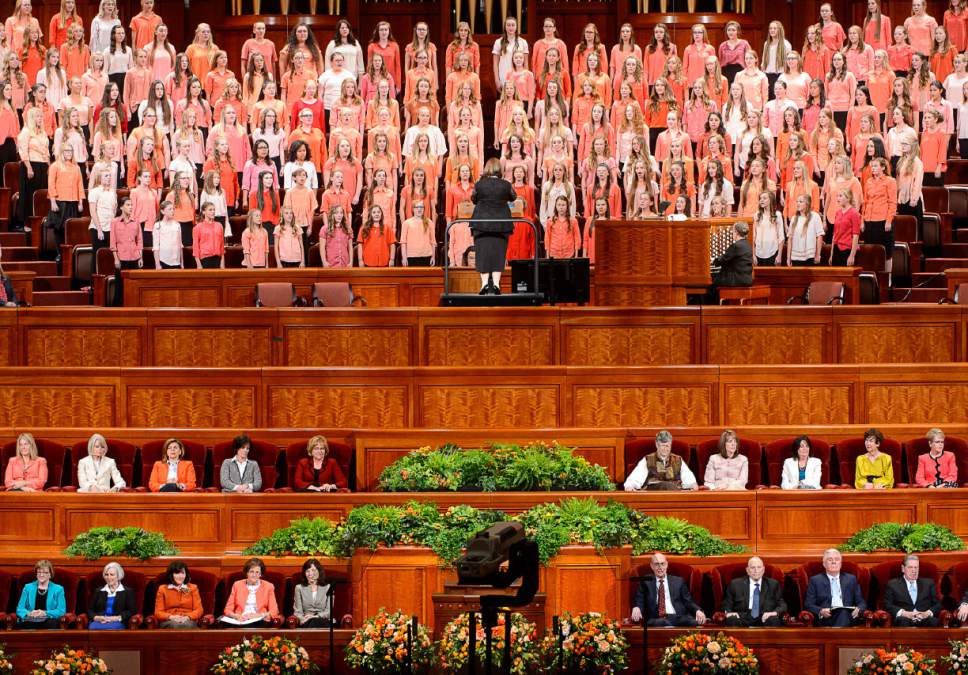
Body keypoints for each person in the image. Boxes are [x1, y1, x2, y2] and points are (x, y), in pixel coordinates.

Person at [469, 158, 517, 295]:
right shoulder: (506, 184)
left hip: (481, 223)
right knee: (498, 254)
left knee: (482, 253)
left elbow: (474, 199)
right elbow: (513, 197)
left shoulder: (479, 184)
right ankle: (496, 284)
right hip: (501, 223)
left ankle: (484, 284)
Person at [631, 553, 706, 627]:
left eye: (662, 564)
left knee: (693, 622)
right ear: (652, 566)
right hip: (657, 618)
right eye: (656, 564)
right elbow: (639, 600)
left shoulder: (678, 581)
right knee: (662, 622)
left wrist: (697, 610)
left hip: (677, 617)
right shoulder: (646, 581)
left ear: (667, 565)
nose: (660, 567)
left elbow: (688, 601)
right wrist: (637, 607)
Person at [721, 556, 786, 627]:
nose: (756, 570)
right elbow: (726, 604)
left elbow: (782, 605)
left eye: (759, 567)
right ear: (747, 570)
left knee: (774, 620)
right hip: (742, 617)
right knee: (731, 619)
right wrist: (729, 613)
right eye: (752, 568)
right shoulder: (735, 584)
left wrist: (774, 612)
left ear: (763, 569)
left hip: (764, 617)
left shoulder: (773, 584)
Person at [623, 430, 698, 491]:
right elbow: (636, 477)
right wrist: (630, 486)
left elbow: (688, 478)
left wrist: (693, 484)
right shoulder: (648, 459)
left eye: (667, 446)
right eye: (662, 446)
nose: (665, 449)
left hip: (675, 493)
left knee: (670, 486)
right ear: (657, 445)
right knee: (665, 485)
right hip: (653, 493)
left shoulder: (678, 459)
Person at [880, 554, 941, 626]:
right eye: (910, 567)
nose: (914, 571)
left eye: (916, 567)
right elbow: (887, 605)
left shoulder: (929, 583)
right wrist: (904, 613)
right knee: (902, 621)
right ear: (903, 568)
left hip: (924, 618)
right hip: (904, 619)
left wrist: (928, 613)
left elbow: (938, 604)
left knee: (933, 621)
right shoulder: (893, 584)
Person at [219, 558, 280, 628]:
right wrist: (236, 616)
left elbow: (274, 610)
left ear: (261, 574)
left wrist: (259, 615)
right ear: (247, 573)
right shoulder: (237, 585)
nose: (254, 575)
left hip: (259, 621)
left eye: (257, 572)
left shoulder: (268, 586)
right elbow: (227, 609)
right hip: (240, 620)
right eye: (251, 571)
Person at [708, 221, 753, 302]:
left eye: (733, 231)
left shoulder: (736, 246)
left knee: (710, 284)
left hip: (736, 279)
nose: (732, 233)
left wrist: (713, 260)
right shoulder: (747, 245)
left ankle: (712, 309)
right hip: (746, 279)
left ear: (736, 232)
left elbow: (722, 260)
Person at [15, 559, 65, 629]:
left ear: (50, 574)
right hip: (31, 619)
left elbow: (61, 610)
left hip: (49, 620)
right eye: (39, 572)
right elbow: (20, 609)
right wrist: (29, 613)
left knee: (51, 624)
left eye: (45, 572)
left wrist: (45, 613)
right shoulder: (27, 587)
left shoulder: (58, 589)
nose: (41, 575)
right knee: (23, 625)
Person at [153, 561, 202, 628]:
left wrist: (187, 617)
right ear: (171, 575)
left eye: (182, 573)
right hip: (169, 621)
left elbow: (199, 610)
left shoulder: (193, 588)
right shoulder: (162, 589)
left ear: (186, 574)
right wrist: (172, 617)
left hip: (188, 620)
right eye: (177, 573)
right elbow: (158, 612)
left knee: (187, 625)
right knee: (175, 625)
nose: (180, 576)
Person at [88, 561, 136, 630]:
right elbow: (90, 610)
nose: (108, 577)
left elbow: (132, 611)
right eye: (106, 575)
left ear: (118, 576)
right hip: (100, 621)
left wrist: (117, 618)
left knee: (113, 628)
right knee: (92, 627)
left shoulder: (127, 592)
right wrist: (97, 618)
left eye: (112, 574)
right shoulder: (98, 591)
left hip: (117, 622)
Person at [293, 558, 332, 628]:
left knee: (316, 621)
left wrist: (315, 616)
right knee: (313, 623)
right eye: (307, 571)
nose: (310, 574)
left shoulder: (328, 587)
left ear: (319, 572)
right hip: (306, 621)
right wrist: (303, 619)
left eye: (313, 570)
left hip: (324, 620)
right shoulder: (299, 588)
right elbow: (298, 612)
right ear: (304, 573)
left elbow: (329, 611)